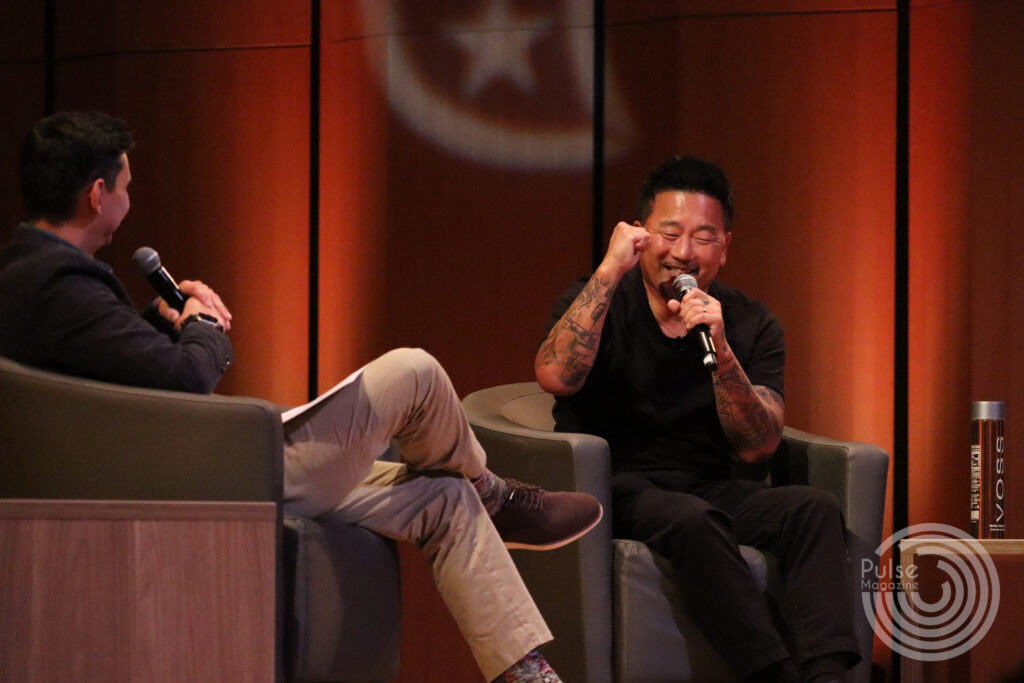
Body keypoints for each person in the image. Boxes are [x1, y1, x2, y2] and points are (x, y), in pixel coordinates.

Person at [0, 111, 603, 683]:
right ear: (97, 194)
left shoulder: (34, 275)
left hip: (205, 467)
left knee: (443, 498)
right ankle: (493, 492)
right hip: (208, 481)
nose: (130, 204)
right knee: (413, 372)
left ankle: (526, 672)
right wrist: (201, 326)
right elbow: (186, 379)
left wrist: (159, 323)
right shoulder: (59, 282)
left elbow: (110, 381)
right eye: (127, 188)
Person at [535, 156, 858, 683]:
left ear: (725, 247)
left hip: (710, 486)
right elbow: (553, 375)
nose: (683, 253)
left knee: (813, 509)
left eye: (704, 237)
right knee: (692, 520)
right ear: (640, 235)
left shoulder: (750, 322)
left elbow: (758, 447)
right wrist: (610, 269)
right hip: (616, 485)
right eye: (669, 233)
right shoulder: (599, 298)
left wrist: (723, 351)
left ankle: (829, 678)